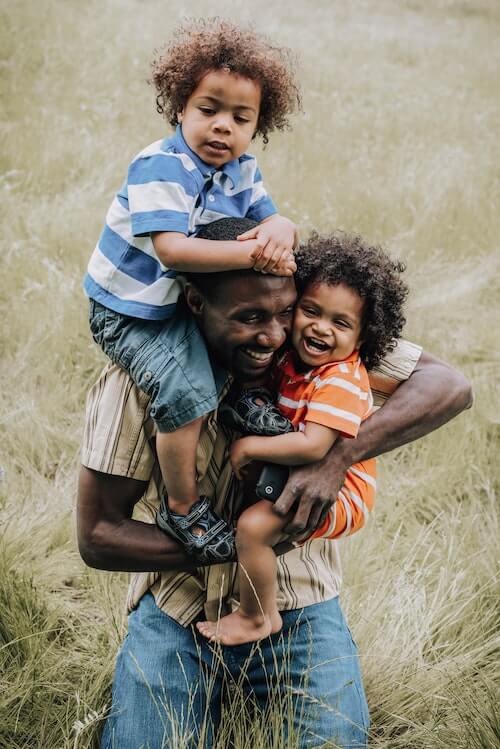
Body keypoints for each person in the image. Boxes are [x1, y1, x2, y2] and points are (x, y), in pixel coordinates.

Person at [77, 218, 472, 749]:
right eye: (248, 318)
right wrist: (244, 544)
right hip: (177, 607)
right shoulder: (141, 379)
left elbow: (449, 385)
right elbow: (98, 535)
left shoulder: (314, 344)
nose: (271, 334)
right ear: (195, 304)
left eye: (285, 312)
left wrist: (337, 458)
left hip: (300, 600)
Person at [83, 18, 301, 560]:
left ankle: (237, 402)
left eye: (240, 117)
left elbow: (270, 219)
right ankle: (183, 509)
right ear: (179, 106)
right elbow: (174, 251)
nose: (222, 127)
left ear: (258, 126)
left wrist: (283, 228)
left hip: (180, 303)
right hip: (130, 310)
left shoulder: (242, 168)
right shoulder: (162, 164)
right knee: (184, 389)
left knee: (231, 340)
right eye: (209, 109)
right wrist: (257, 250)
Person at [196, 232, 408, 645]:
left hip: (343, 492)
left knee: (254, 527)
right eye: (311, 311)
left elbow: (314, 447)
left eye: (340, 323)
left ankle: (258, 616)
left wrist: (249, 446)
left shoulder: (341, 378)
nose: (321, 328)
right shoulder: (299, 364)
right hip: (308, 468)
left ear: (362, 338)